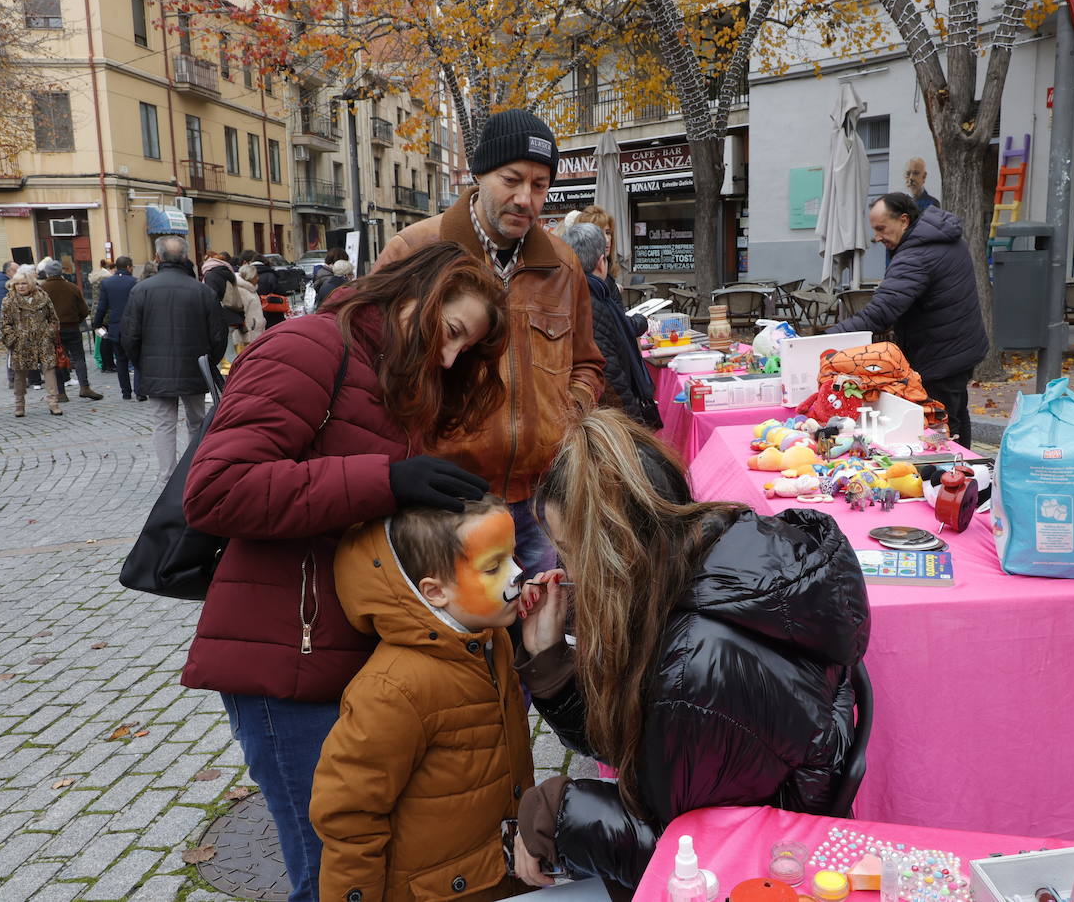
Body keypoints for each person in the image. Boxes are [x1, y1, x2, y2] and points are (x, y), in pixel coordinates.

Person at [180, 241, 509, 902]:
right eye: (448, 334)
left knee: (368, 864)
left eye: (464, 349)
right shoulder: (306, 350)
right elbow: (215, 490)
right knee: (329, 872)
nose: (449, 358)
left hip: (351, 649)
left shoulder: (397, 375)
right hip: (285, 662)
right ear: (412, 293)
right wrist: (386, 479)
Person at [510, 410, 870, 891]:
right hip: (764, 812)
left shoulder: (692, 670)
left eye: (572, 551)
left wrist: (559, 816)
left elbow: (693, 861)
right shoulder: (719, 555)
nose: (564, 569)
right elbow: (640, 743)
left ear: (617, 554)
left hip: (769, 870)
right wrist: (553, 661)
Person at [373, 108, 605, 577]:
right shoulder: (414, 250)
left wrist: (565, 417)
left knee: (540, 622)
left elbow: (587, 364)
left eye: (540, 186)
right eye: (512, 179)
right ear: (478, 174)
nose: (526, 199)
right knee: (460, 631)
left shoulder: (562, 265)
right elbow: (372, 366)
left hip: (540, 498)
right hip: (447, 500)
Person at [310, 495, 534, 902]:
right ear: (434, 591)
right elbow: (350, 814)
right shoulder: (392, 690)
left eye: (513, 556)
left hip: (494, 873)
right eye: (494, 567)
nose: (519, 574)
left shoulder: (491, 639)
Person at [828, 193, 987, 449]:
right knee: (956, 414)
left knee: (941, 426)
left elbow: (881, 313)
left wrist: (827, 339)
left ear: (903, 220)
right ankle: (971, 475)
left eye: (881, 228)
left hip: (940, 354)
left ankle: (952, 474)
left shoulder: (918, 254)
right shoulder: (941, 238)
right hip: (959, 346)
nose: (877, 237)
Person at [122, 235, 228, 486]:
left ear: (158, 258)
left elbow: (129, 335)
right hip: (194, 367)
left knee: (164, 424)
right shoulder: (202, 291)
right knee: (197, 422)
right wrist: (208, 362)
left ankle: (167, 477)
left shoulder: (141, 290)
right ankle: (195, 473)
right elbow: (218, 335)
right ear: (186, 257)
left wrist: (142, 364)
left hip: (156, 368)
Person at [564, 224, 660, 429]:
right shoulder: (592, 302)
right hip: (604, 421)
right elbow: (611, 374)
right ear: (601, 263)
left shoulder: (574, 294)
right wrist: (635, 424)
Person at [0, 267, 63, 417]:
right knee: (20, 374)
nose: (21, 286)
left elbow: (53, 319)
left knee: (49, 370)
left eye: (24, 283)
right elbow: (5, 324)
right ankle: (19, 404)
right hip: (21, 342)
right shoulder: (9, 300)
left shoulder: (43, 297)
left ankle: (53, 403)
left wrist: (49, 333)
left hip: (43, 340)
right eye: (18, 284)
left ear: (31, 284)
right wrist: (12, 338)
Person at [40, 260, 102, 401]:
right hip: (72, 328)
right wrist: (75, 320)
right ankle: (84, 387)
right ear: (61, 271)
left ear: (47, 272)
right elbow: (84, 310)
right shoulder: (72, 287)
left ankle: (61, 392)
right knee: (79, 358)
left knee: (57, 359)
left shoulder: (42, 289)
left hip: (52, 331)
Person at [93, 256, 143, 400]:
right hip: (133, 326)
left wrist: (97, 323)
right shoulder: (135, 282)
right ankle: (140, 392)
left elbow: (102, 306)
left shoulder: (107, 283)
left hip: (116, 326)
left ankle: (126, 392)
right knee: (137, 359)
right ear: (129, 267)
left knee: (120, 360)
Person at [243, 249, 288, 328]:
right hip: (272, 314)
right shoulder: (271, 275)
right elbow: (281, 293)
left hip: (252, 314)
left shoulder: (245, 275)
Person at [228, 263, 267, 355]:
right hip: (247, 334)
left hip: (255, 331)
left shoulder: (251, 289)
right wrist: (250, 327)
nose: (258, 278)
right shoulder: (242, 291)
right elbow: (240, 313)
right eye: (255, 276)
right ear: (250, 277)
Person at [578, 204, 621, 280]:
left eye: (608, 232)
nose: (607, 240)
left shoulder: (609, 271)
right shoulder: (581, 279)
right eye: (599, 233)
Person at [0, 261, 17, 326]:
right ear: (8, 272)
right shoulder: (2, 284)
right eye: (16, 271)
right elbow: (3, 306)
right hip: (8, 324)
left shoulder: (9, 282)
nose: (19, 273)